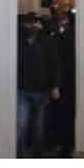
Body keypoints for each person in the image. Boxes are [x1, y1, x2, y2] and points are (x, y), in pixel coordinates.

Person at [17, 13, 60, 158]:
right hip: (22, 89)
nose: (31, 26)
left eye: (34, 23)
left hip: (42, 89)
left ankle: (37, 153)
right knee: (21, 124)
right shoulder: (17, 41)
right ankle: (21, 153)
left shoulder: (46, 41)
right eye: (28, 23)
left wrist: (55, 86)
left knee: (38, 125)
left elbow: (54, 64)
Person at [49, 0, 76, 157]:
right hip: (73, 81)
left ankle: (64, 146)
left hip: (63, 82)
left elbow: (55, 61)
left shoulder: (60, 38)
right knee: (70, 114)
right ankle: (69, 144)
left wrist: (55, 84)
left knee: (63, 114)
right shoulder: (78, 39)